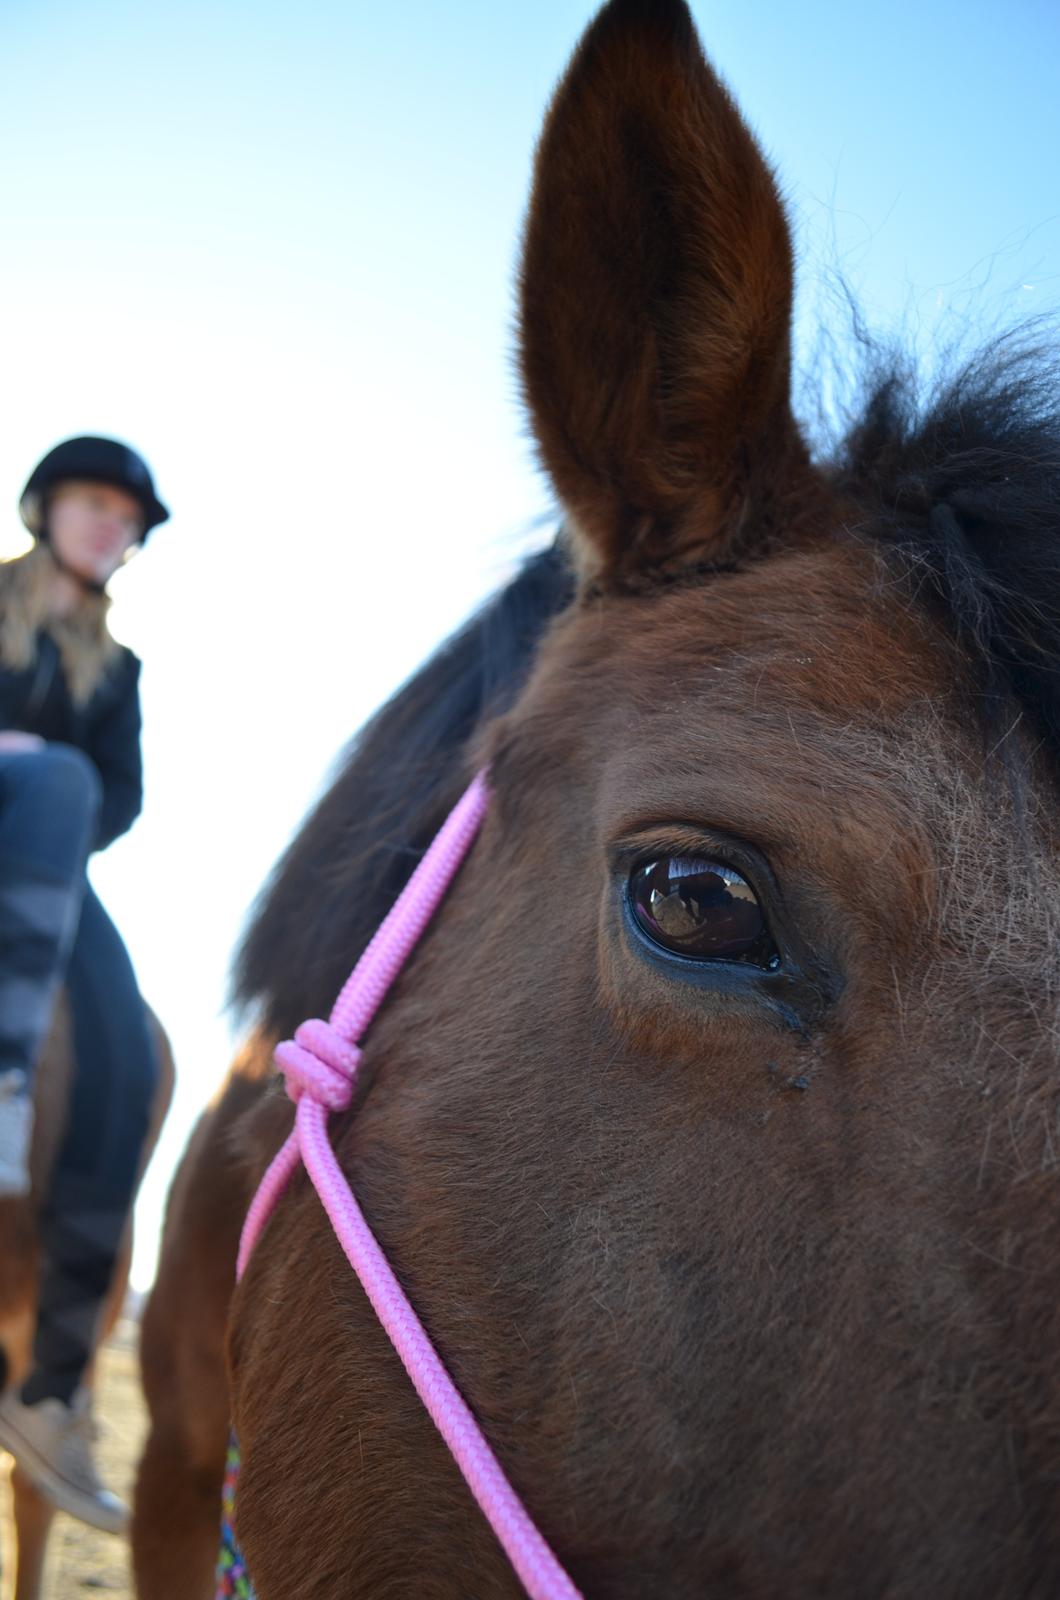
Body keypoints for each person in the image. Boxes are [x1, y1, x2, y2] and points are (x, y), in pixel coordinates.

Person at [0, 436, 168, 1534]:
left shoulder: (120, 670)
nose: (110, 525)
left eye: (127, 515)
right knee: (52, 774)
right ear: (48, 508)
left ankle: (54, 1390)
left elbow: (120, 804)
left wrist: (51, 782)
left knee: (126, 1049)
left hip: (53, 875)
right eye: (94, 503)